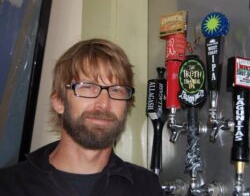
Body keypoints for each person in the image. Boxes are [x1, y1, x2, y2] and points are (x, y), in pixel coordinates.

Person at [0, 38, 163, 196]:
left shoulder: (146, 187)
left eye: (116, 90)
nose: (104, 104)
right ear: (59, 102)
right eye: (88, 87)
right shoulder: (9, 186)